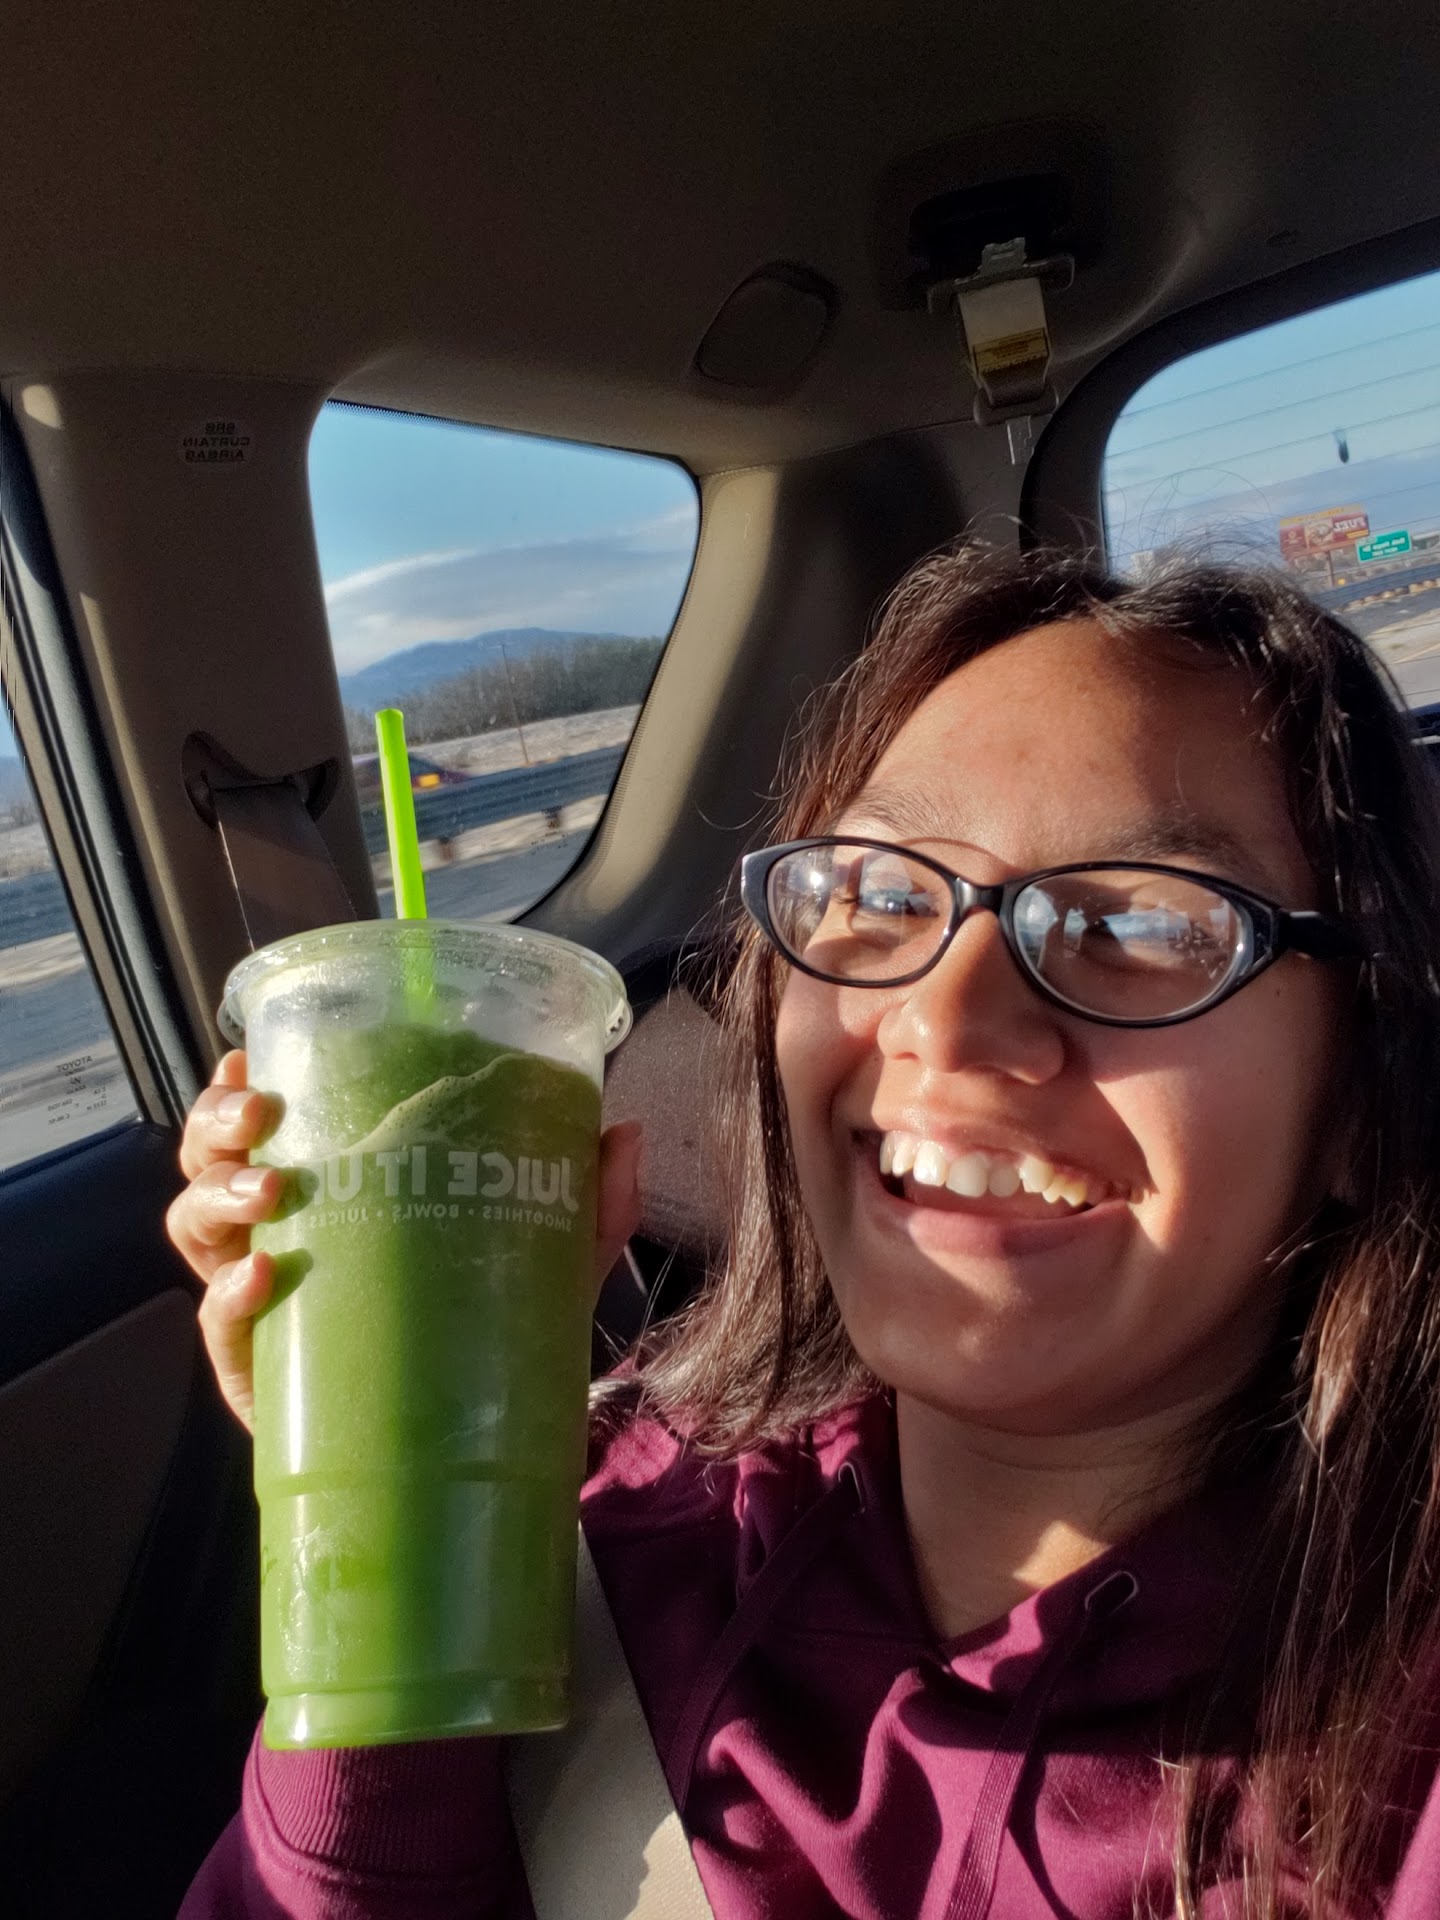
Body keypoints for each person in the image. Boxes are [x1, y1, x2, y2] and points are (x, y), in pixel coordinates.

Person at [168, 545, 1440, 1919]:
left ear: (1357, 1092)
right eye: (882, 897)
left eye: (1138, 924)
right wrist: (415, 1477)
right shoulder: (617, 1525)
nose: (945, 1020)